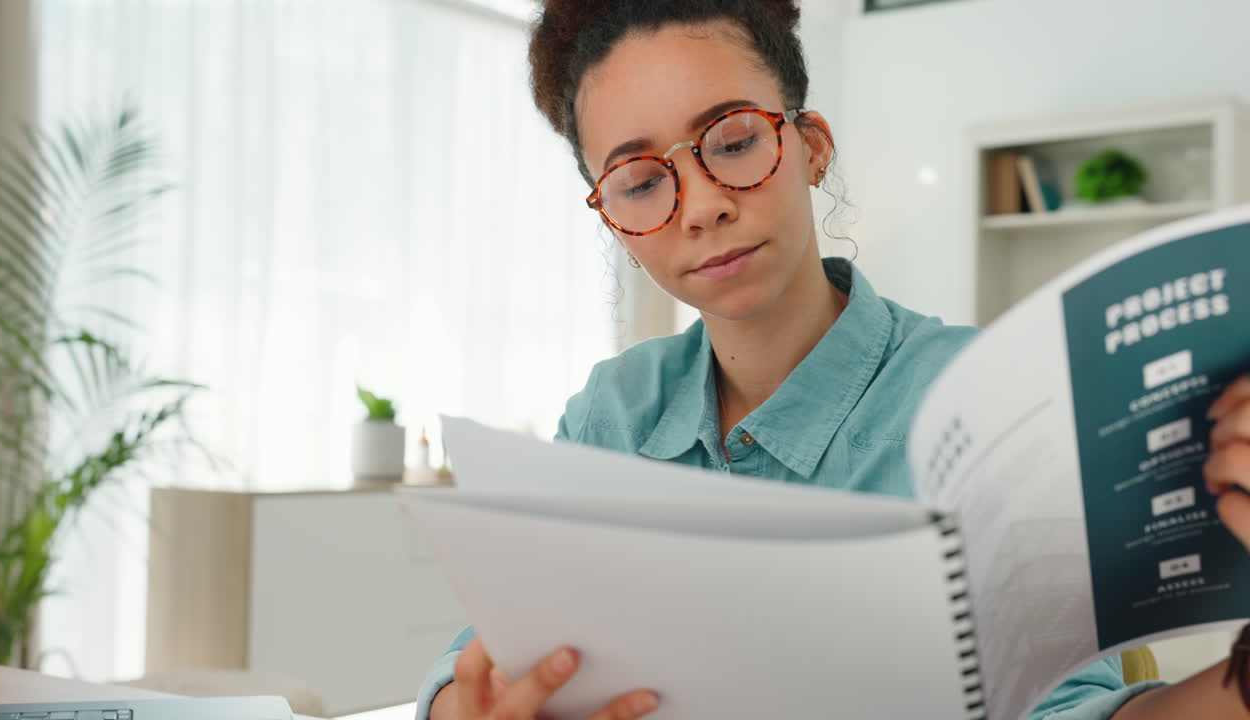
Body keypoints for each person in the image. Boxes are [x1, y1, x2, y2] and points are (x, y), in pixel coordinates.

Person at [415, 1, 1250, 718]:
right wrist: (472, 702)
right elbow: (483, 659)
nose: (701, 205)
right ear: (614, 221)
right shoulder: (612, 410)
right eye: (639, 182)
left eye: (734, 141)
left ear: (812, 147)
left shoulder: (980, 398)